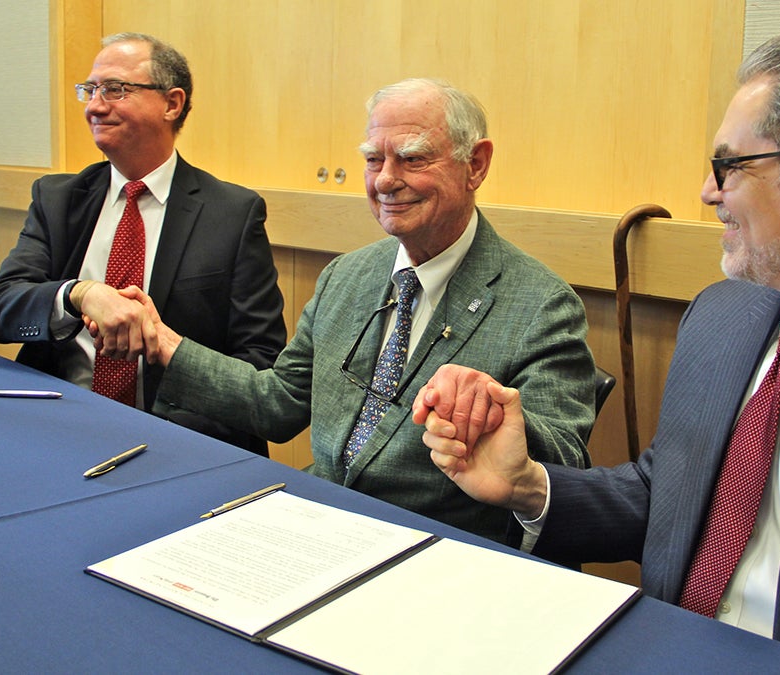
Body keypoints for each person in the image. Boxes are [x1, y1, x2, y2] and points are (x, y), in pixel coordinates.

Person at [416, 25, 780, 674]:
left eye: (729, 166)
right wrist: (528, 484)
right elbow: (662, 495)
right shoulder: (725, 314)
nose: (707, 191)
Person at [114, 77, 596, 545]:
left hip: (438, 549)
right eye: (373, 159)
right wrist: (163, 343)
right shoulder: (346, 277)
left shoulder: (541, 304)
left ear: (476, 164)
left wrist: (490, 417)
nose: (386, 179)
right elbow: (277, 405)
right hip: (317, 523)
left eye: (411, 158)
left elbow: (561, 465)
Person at [0, 33, 286, 456]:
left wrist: (164, 359)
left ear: (171, 104)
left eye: (115, 90)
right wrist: (79, 294)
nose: (94, 106)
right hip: (58, 430)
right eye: (90, 90)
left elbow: (260, 362)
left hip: (177, 440)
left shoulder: (232, 213)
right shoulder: (58, 199)